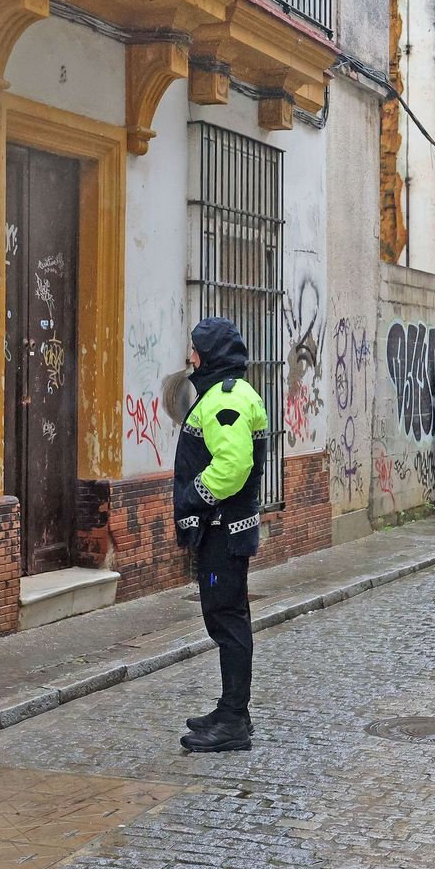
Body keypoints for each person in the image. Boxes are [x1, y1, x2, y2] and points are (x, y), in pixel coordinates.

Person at [174, 318, 269, 753]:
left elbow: (232, 467)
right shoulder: (232, 393)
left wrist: (194, 496)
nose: (190, 357)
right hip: (228, 530)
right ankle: (234, 711)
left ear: (208, 354)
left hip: (222, 532)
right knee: (230, 618)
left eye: (194, 349)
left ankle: (232, 720)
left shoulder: (223, 399)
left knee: (226, 620)